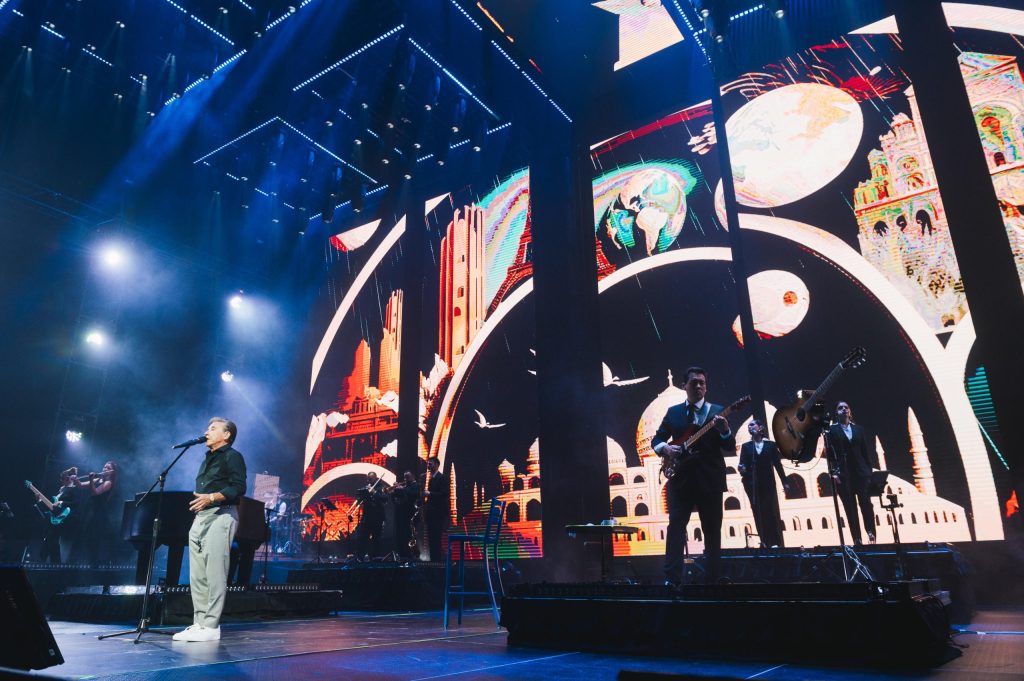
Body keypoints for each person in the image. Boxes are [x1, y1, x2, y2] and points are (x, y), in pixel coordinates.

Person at [652, 367, 735, 586]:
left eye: (702, 382)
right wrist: (666, 448)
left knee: (712, 531)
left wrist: (725, 430)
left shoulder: (717, 411)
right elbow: (656, 440)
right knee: (676, 529)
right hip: (682, 480)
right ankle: (672, 580)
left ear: (706, 387)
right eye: (693, 382)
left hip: (710, 480)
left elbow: (729, 445)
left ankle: (712, 581)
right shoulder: (673, 412)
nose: (698, 386)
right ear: (684, 386)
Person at [173, 417, 246, 643]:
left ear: (226, 435)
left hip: (221, 514)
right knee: (197, 575)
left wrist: (212, 497)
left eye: (213, 428)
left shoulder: (233, 456)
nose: (207, 432)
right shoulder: (208, 458)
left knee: (215, 572)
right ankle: (200, 623)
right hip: (201, 517)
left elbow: (239, 487)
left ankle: (212, 626)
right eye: (207, 428)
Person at [826, 401, 880, 545]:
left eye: (846, 407)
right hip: (844, 475)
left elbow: (865, 452)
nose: (844, 409)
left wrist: (869, 472)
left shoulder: (858, 430)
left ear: (850, 411)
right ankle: (857, 539)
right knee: (850, 508)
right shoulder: (831, 431)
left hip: (861, 474)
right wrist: (834, 473)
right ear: (836, 413)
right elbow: (830, 454)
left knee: (866, 505)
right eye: (840, 408)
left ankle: (871, 534)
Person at [738, 419, 789, 548]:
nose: (750, 427)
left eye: (752, 425)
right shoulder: (746, 446)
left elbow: (777, 464)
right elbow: (742, 464)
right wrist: (742, 468)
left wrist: (784, 481)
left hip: (768, 483)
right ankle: (764, 541)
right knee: (757, 512)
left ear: (760, 428)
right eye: (748, 425)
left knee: (768, 510)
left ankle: (775, 542)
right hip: (752, 485)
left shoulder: (771, 445)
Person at [73, 461, 119, 565]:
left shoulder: (109, 483)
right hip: (90, 508)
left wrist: (90, 480)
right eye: (104, 467)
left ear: (112, 472)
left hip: (97, 511)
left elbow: (96, 492)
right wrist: (75, 479)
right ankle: (79, 560)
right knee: (84, 532)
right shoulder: (98, 479)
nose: (104, 469)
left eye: (108, 468)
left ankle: (92, 562)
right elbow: (81, 485)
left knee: (91, 535)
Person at [35, 468, 86, 564]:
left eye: (62, 479)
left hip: (65, 518)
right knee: (53, 542)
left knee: (50, 539)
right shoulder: (62, 490)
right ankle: (56, 565)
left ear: (67, 478)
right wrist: (40, 501)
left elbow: (76, 503)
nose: (60, 481)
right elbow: (52, 507)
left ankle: (39, 562)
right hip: (55, 518)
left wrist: (62, 502)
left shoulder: (74, 488)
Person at [353, 471, 388, 559]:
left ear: (375, 478)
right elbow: (360, 499)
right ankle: (360, 558)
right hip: (367, 518)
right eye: (368, 479)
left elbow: (385, 498)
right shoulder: (366, 487)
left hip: (377, 518)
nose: (369, 481)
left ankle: (375, 558)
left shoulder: (381, 487)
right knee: (362, 538)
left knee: (376, 539)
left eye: (371, 479)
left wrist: (374, 492)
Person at [421, 457, 449, 562]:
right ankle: (433, 560)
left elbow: (444, 494)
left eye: (430, 464)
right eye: (428, 464)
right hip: (431, 513)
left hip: (438, 512)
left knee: (436, 537)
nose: (428, 466)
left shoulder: (442, 478)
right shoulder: (431, 478)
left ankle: (437, 561)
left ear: (437, 464)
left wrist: (430, 493)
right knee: (431, 538)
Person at [390, 470, 421, 560]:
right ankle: (403, 555)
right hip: (402, 515)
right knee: (401, 536)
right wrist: (393, 492)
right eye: (404, 477)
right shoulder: (405, 487)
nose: (405, 479)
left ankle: (413, 555)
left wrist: (401, 489)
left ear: (413, 477)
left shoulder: (416, 485)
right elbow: (396, 500)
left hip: (412, 515)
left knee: (410, 536)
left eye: (407, 477)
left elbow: (414, 494)